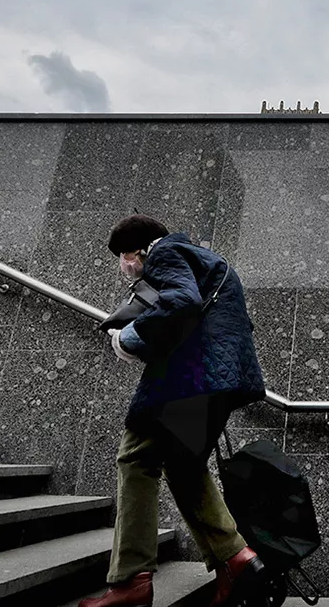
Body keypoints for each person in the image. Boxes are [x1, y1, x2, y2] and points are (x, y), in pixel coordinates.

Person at [80, 214, 268, 607]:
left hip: (187, 378)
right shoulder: (205, 259)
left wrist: (129, 337)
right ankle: (235, 559)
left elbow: (181, 301)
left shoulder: (165, 252)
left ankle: (131, 580)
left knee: (135, 458)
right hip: (222, 379)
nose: (126, 266)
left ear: (138, 250)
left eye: (125, 256)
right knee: (184, 465)